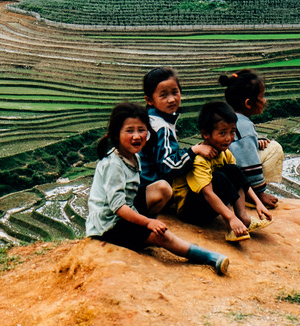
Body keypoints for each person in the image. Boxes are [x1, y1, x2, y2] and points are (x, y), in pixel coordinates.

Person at [86, 102, 230, 275]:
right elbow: (118, 207)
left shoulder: (133, 157)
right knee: (164, 237)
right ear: (116, 134)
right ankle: (210, 258)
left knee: (163, 188)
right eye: (129, 130)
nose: (137, 136)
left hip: (125, 211)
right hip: (108, 226)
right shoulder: (113, 165)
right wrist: (148, 222)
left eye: (141, 130)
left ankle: (144, 233)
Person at [171, 101, 272, 242]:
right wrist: (230, 218)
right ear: (206, 134)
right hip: (190, 211)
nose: (229, 138)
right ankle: (231, 226)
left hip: (208, 204)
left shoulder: (224, 153)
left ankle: (243, 217)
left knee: (233, 170)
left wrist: (257, 203)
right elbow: (208, 193)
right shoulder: (199, 159)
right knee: (219, 178)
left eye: (232, 132)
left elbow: (239, 179)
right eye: (222, 133)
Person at [139, 67, 215, 199]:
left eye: (175, 92)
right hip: (149, 187)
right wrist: (193, 150)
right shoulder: (161, 126)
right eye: (163, 95)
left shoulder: (149, 119)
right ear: (149, 100)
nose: (171, 99)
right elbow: (167, 165)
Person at [220, 69, 285, 209]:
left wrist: (255, 142)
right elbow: (249, 164)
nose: (265, 100)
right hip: (235, 176)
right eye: (262, 96)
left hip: (222, 172)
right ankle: (253, 195)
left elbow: (238, 146)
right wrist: (260, 194)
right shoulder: (245, 127)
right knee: (274, 148)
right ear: (248, 103)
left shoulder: (224, 117)